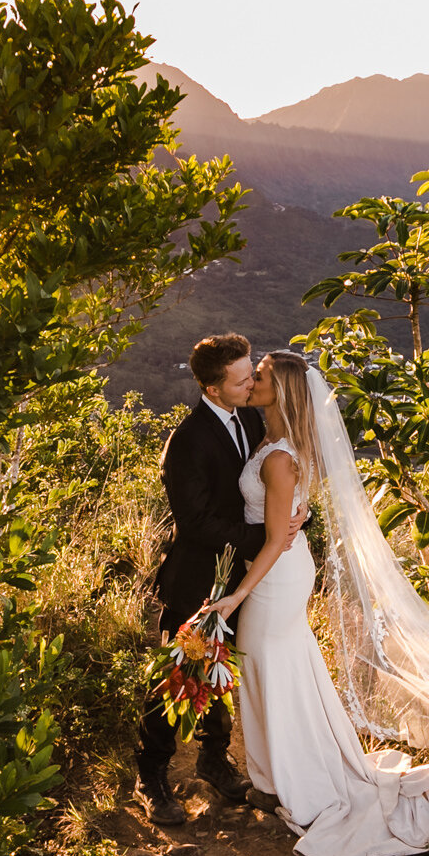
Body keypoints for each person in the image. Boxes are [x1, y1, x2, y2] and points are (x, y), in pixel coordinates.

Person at [207, 350, 429, 856]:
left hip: (275, 576)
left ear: (284, 391)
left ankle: (289, 782)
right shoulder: (274, 441)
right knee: (280, 672)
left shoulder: (277, 457)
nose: (253, 382)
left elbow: (273, 541)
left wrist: (236, 596)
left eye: (262, 376)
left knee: (270, 671)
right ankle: (273, 778)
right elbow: (289, 513)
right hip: (282, 569)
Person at [136, 333, 302, 827]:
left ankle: (213, 756)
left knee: (222, 670)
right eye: (242, 378)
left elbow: (276, 484)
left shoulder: (252, 416)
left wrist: (294, 519)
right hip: (196, 576)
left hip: (245, 574)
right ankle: (152, 774)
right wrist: (265, 536)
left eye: (252, 372)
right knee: (179, 673)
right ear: (213, 389)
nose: (252, 381)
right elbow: (196, 522)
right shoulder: (187, 441)